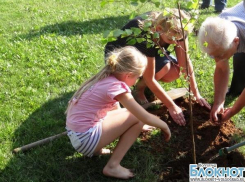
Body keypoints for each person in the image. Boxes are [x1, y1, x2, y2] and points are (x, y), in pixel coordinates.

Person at [65, 46, 171, 179]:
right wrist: (164, 126)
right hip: (85, 139)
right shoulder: (116, 87)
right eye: (137, 78)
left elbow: (117, 110)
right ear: (128, 75)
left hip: (76, 134)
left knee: (132, 116)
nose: (135, 82)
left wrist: (132, 125)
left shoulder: (107, 78)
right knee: (136, 115)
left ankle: (96, 150)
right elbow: (142, 115)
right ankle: (112, 166)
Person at [105, 9, 211, 126]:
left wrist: (196, 93)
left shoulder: (179, 28)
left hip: (147, 51)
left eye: (179, 39)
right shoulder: (147, 36)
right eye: (171, 40)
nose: (176, 42)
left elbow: (184, 62)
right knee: (162, 69)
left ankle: (145, 86)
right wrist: (171, 106)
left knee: (174, 72)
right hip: (121, 55)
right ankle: (139, 89)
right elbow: (150, 78)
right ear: (159, 30)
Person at [197, 1, 245, 122]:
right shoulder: (217, 29)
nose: (217, 59)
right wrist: (218, 102)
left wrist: (233, 110)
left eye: (220, 55)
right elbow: (221, 67)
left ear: (236, 41)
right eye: (214, 56)